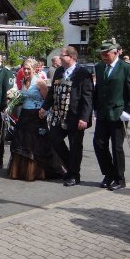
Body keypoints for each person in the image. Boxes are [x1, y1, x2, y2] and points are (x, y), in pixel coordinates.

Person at [39, 46, 94, 186]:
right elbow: (52, 92)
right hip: (59, 115)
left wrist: (85, 118)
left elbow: (88, 98)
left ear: (72, 57)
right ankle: (71, 166)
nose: (60, 57)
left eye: (63, 55)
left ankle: (74, 175)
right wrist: (45, 107)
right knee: (54, 138)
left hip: (76, 117)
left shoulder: (82, 73)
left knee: (76, 146)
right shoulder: (58, 71)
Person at [92, 40, 130, 191]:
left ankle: (120, 178)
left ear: (115, 52)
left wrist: (129, 111)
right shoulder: (100, 67)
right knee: (99, 144)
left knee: (116, 147)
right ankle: (108, 174)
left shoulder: (126, 68)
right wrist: (95, 108)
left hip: (119, 113)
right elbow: (98, 90)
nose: (104, 57)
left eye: (106, 54)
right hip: (103, 113)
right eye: (102, 54)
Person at [7, 58, 54, 180]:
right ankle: (21, 171)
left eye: (29, 69)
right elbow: (24, 98)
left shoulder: (40, 82)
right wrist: (14, 98)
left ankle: (36, 172)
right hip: (24, 115)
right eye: (25, 68)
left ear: (34, 69)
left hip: (36, 116)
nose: (26, 71)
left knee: (33, 144)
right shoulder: (24, 81)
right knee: (21, 141)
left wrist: (44, 113)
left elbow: (47, 101)